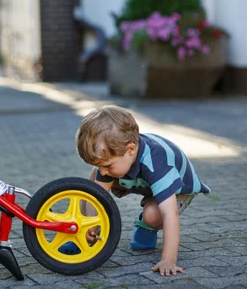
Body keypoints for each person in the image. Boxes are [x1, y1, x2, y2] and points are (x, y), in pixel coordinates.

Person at [69, 105, 210, 277]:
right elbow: (97, 199)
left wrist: (169, 259)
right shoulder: (116, 160)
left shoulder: (158, 163)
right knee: (94, 183)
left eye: (107, 165)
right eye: (100, 164)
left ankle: (147, 227)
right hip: (142, 180)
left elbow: (170, 214)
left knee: (153, 215)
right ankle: (84, 233)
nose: (104, 171)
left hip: (178, 187)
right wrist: (91, 226)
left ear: (130, 149)